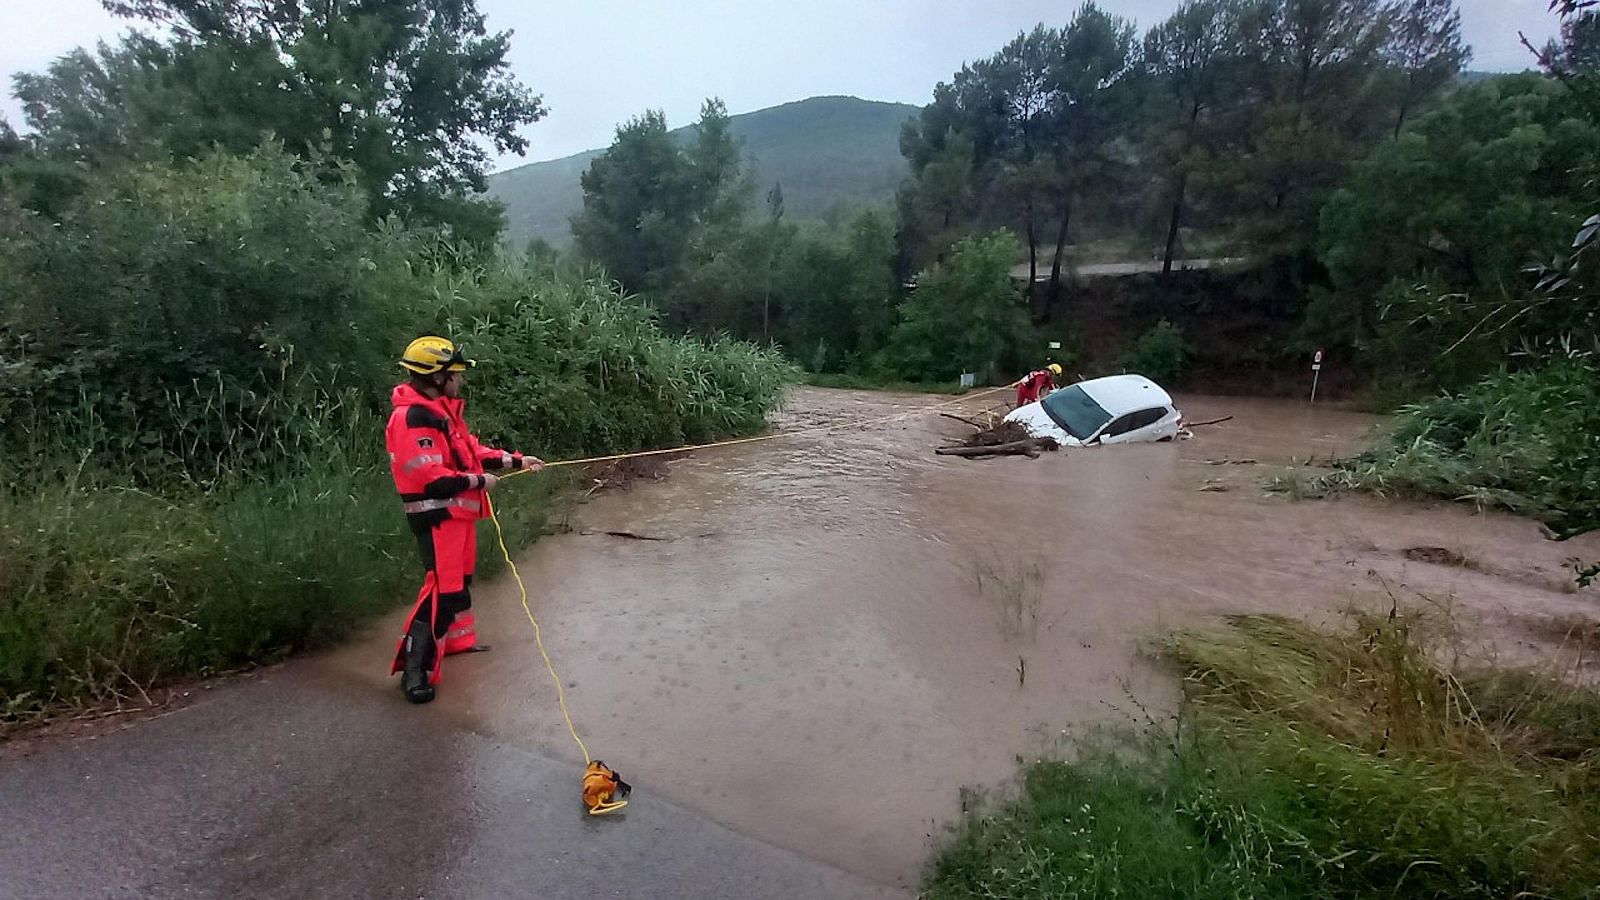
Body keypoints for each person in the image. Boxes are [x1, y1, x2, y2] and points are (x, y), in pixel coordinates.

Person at [386, 336, 543, 704]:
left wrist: (515, 461)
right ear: (436, 377)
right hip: (438, 516)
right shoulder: (412, 417)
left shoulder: (440, 410)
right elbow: (432, 476)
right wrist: (479, 481)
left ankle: (455, 645)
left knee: (457, 586)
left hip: (456, 516)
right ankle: (414, 672)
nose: (461, 380)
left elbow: (469, 449)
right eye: (455, 374)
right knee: (441, 590)